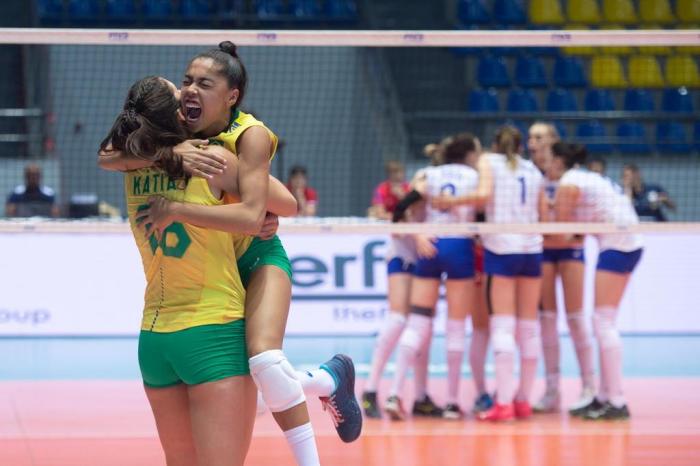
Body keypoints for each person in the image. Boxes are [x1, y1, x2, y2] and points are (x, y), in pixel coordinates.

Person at [101, 42, 361, 463]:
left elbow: (285, 207)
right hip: (214, 275)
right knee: (259, 378)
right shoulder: (176, 144)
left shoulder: (243, 137)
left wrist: (244, 206)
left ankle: (319, 418)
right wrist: (170, 151)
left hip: (255, 256)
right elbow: (108, 154)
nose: (189, 90)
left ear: (230, 96)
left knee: (266, 361)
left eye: (202, 83)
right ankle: (323, 378)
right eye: (185, 81)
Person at [100, 75, 268, 466]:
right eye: (182, 93)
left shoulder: (129, 163)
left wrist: (164, 154)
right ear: (177, 114)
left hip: (155, 338)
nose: (191, 95)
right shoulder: (213, 158)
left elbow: (107, 153)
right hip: (213, 329)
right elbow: (283, 203)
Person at [433, 126, 544, 422]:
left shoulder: (488, 162)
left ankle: (504, 404)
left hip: (502, 250)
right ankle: (523, 400)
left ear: (495, 145)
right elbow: (543, 212)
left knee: (503, 328)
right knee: (529, 328)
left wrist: (450, 202)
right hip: (532, 249)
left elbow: (482, 196)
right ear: (520, 147)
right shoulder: (533, 170)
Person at [384, 133, 480, 421]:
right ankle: (452, 402)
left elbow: (401, 207)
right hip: (459, 245)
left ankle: (395, 392)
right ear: (469, 155)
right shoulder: (475, 177)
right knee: (455, 325)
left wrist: (418, 229)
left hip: (432, 244)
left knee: (418, 321)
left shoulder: (429, 174)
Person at [554, 144, 643, 421]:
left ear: (560, 160)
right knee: (602, 320)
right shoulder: (588, 178)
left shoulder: (569, 182)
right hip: (625, 241)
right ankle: (604, 396)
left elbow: (564, 231)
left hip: (618, 244)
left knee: (603, 321)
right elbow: (576, 231)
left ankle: (616, 400)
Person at [362, 143, 443, 420]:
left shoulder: (451, 185)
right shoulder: (424, 180)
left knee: (424, 329)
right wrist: (417, 235)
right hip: (403, 253)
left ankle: (421, 395)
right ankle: (371, 390)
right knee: (398, 319)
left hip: (426, 258)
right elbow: (401, 215)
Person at [534, 142, 595, 414]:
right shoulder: (532, 177)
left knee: (576, 318)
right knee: (547, 321)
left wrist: (577, 232)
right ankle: (552, 390)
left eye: (542, 140)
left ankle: (589, 387)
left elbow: (583, 217)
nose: (538, 148)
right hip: (545, 252)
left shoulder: (573, 180)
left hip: (570, 251)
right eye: (534, 141)